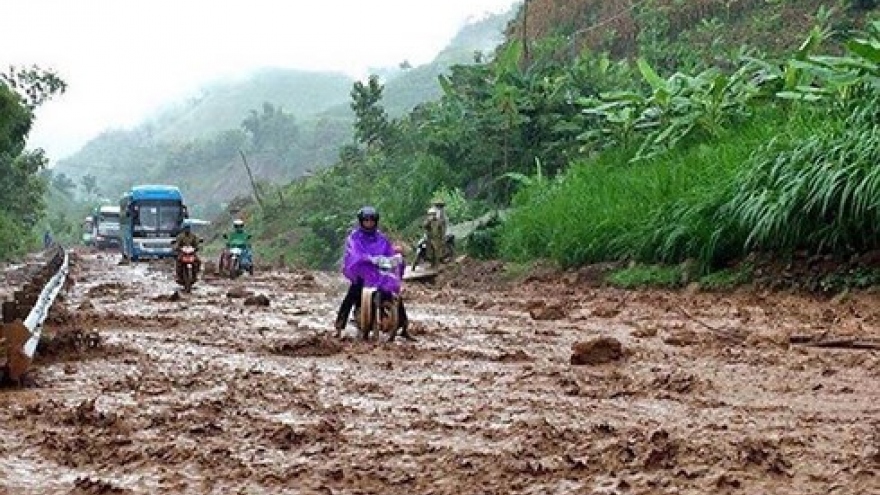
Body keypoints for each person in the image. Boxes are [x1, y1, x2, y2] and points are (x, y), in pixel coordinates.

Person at [334, 206, 414, 340]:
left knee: (395, 296)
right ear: (361, 221)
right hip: (362, 273)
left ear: (375, 221)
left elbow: (389, 252)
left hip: (378, 273)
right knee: (351, 295)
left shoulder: (381, 238)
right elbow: (353, 254)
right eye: (366, 221)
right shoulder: (354, 237)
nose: (369, 223)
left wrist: (395, 256)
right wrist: (367, 258)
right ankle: (339, 327)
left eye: (371, 221)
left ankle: (404, 327)